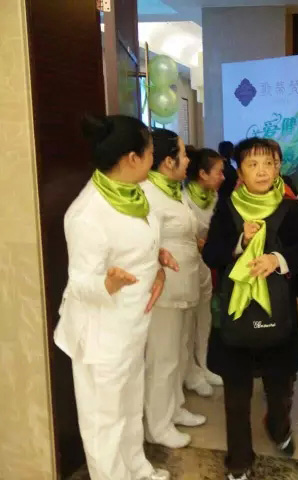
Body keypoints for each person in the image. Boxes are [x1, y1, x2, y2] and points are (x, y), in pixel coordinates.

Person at [54, 114, 177, 480]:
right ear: (132, 158)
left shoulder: (136, 193)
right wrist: (107, 285)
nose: (154, 158)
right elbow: (80, 284)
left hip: (132, 324)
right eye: (150, 152)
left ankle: (137, 468)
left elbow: (137, 242)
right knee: (104, 421)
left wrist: (156, 261)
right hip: (101, 334)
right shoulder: (86, 214)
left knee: (129, 406)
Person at [202, 137, 298, 480]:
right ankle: (239, 459)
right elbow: (211, 254)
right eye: (253, 164)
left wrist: (276, 259)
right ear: (240, 171)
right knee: (236, 395)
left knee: (280, 386)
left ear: (278, 166)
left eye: (269, 163)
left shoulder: (289, 207)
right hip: (236, 314)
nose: (263, 171)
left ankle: (278, 428)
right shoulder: (227, 207)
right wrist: (241, 242)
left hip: (276, 312)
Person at [142, 129, 206, 450]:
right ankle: (157, 426)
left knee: (179, 352)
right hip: (164, 291)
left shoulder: (173, 190)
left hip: (186, 283)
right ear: (168, 161)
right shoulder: (147, 194)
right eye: (182, 153)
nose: (188, 159)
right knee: (162, 359)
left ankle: (175, 407)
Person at [182, 146, 226, 397]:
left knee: (205, 317)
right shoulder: (184, 199)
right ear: (202, 174)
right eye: (218, 172)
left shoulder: (214, 197)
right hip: (188, 263)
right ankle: (191, 371)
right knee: (188, 322)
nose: (222, 177)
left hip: (206, 264)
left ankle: (204, 364)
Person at [265, 138, 298, 203]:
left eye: (276, 163)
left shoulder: (287, 181)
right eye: (268, 163)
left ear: (281, 163)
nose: (272, 168)